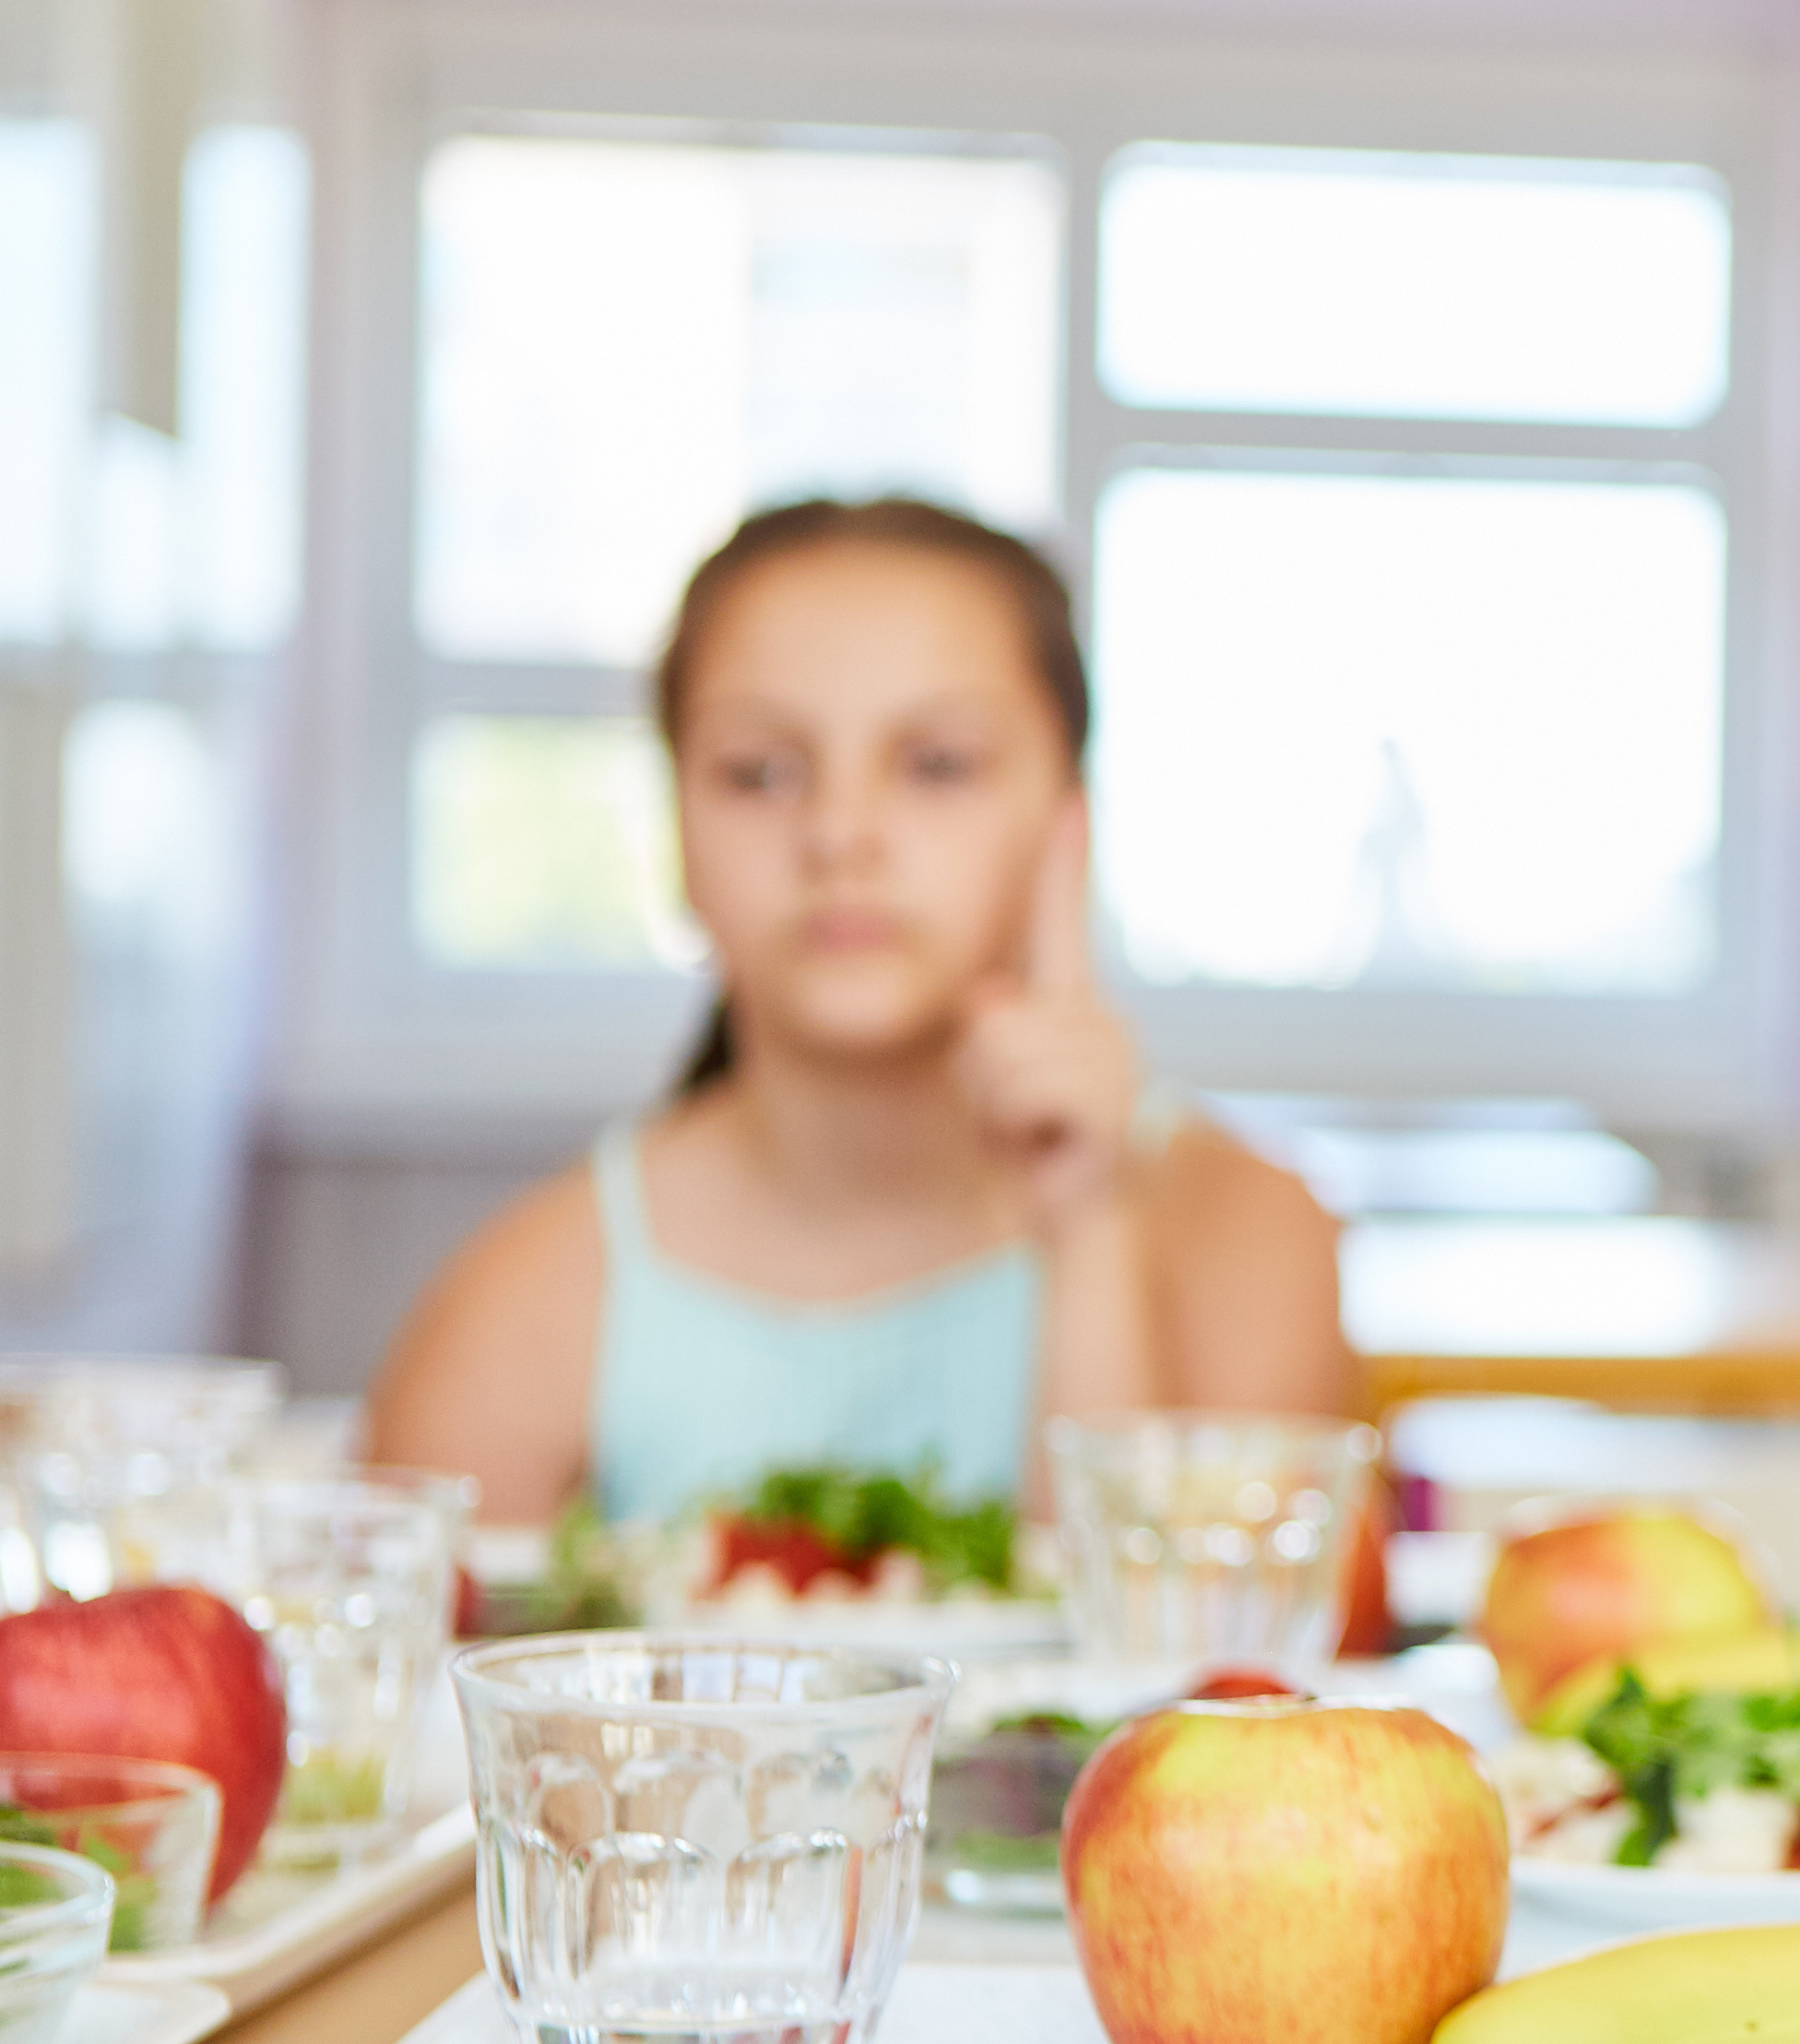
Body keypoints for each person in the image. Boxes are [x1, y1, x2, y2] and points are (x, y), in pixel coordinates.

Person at [371, 496, 1348, 1524]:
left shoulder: (1250, 1239)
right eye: (760, 773)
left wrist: (1090, 1234)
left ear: (1069, 824)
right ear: (676, 834)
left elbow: (1193, 1682)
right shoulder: (524, 1304)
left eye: (937, 766)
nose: (840, 833)